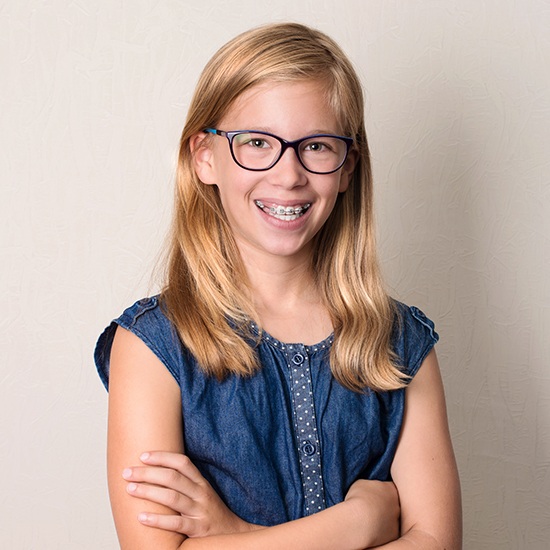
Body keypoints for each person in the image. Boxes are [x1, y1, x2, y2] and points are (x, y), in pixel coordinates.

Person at [95, 22, 462, 549]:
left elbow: (438, 544)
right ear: (205, 156)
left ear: (348, 167)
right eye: (257, 142)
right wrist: (357, 523)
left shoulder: (398, 343)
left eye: (315, 146)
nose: (288, 175)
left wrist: (236, 537)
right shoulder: (153, 347)